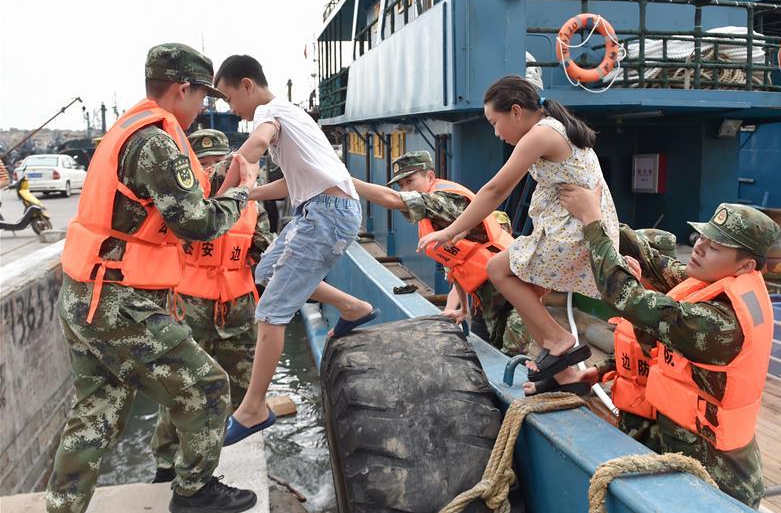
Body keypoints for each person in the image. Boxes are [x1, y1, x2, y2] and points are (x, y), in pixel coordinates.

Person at [27, 44, 260, 513]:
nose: (202, 106)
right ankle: (194, 488)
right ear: (182, 88)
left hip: (87, 294)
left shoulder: (127, 132)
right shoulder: (156, 141)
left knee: (98, 412)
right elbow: (197, 224)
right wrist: (244, 195)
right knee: (207, 386)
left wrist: (213, 189)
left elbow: (159, 211)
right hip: (120, 302)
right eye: (202, 95)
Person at [554, 184, 779, 508]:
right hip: (675, 457)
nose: (699, 248)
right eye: (702, 237)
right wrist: (599, 213)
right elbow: (653, 261)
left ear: (745, 266)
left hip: (715, 484)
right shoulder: (708, 281)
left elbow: (627, 299)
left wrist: (592, 222)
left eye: (715, 247)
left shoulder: (720, 323)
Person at [212, 54, 376, 446]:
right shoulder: (294, 115)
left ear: (247, 85)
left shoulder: (272, 112)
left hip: (326, 213)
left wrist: (240, 165)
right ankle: (354, 308)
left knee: (271, 312)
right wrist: (246, 194)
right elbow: (289, 184)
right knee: (264, 274)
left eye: (229, 98)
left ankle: (253, 409)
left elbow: (258, 140)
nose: (231, 110)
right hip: (317, 209)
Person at [417, 75, 619, 385]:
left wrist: (448, 231)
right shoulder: (555, 126)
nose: (495, 133)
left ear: (515, 111)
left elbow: (495, 190)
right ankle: (563, 373)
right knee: (527, 292)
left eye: (494, 122)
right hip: (583, 229)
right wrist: (461, 228)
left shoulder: (540, 135)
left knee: (498, 269)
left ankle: (558, 339)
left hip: (574, 233)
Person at [150, 129, 273, 483]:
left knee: (240, 385)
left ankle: (229, 457)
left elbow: (261, 246)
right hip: (188, 310)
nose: (211, 170)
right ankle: (166, 463)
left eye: (217, 162)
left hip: (238, 309)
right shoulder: (180, 206)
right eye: (202, 164)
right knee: (178, 389)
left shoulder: (250, 205)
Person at [352, 150, 529, 355]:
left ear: (430, 177)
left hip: (516, 295)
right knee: (489, 356)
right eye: (401, 185)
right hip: (487, 302)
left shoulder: (447, 199)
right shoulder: (434, 219)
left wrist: (344, 180)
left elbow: (392, 199)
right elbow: (457, 267)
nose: (406, 189)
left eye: (411, 180)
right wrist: (462, 309)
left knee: (514, 359)